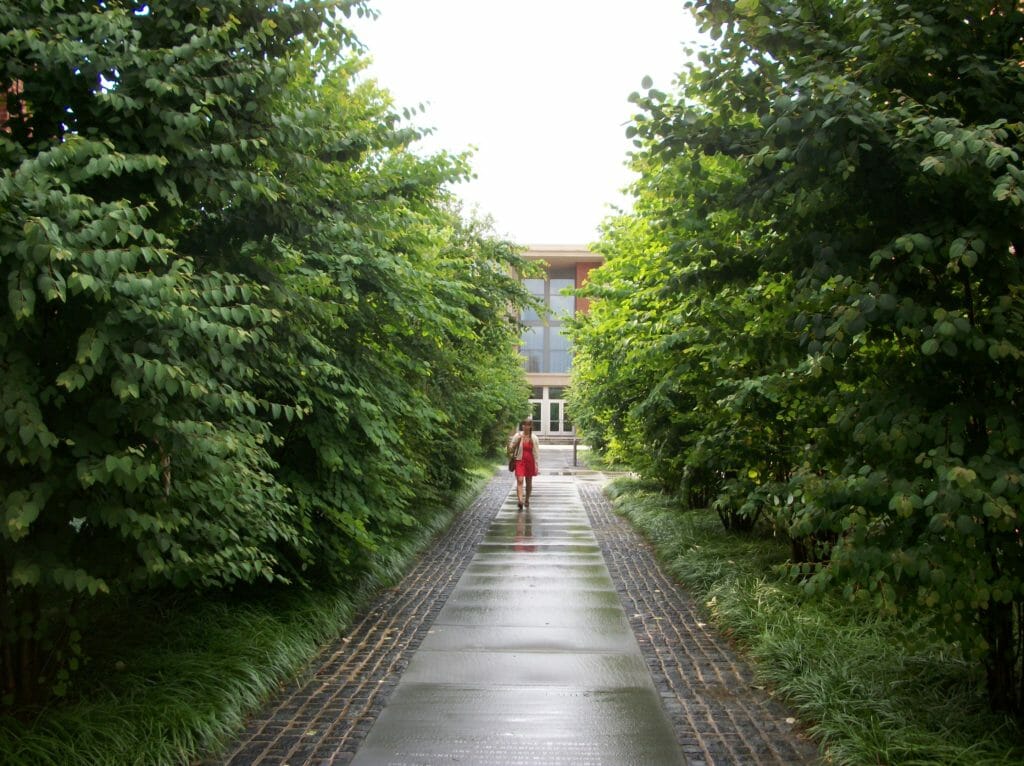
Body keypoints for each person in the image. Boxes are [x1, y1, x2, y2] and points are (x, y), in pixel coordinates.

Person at [508, 418, 540, 510]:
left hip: (530, 461)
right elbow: (510, 449)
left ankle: (527, 499)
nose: (525, 427)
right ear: (522, 426)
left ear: (530, 426)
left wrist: (537, 465)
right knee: (520, 480)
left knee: (529, 482)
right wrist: (516, 442)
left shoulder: (534, 438)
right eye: (524, 425)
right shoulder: (517, 436)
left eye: (528, 425)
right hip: (519, 460)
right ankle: (520, 501)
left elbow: (536, 453)